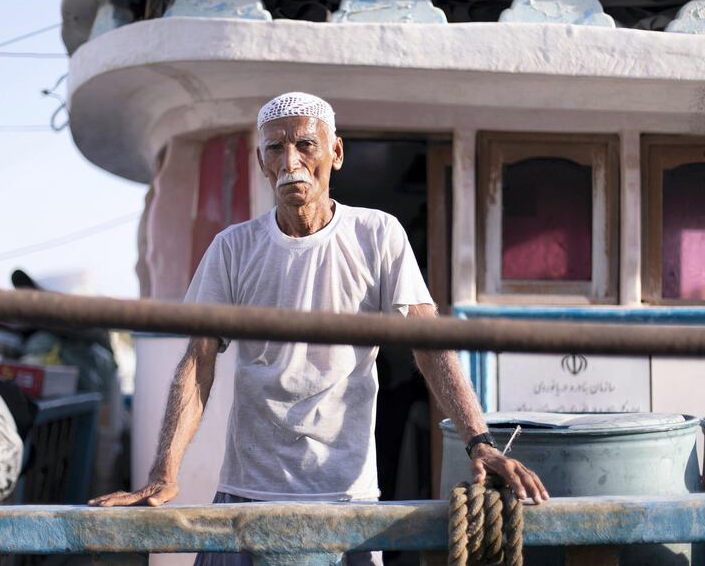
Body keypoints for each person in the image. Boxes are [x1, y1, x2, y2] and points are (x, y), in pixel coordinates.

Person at [89, 92, 548, 565]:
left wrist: (481, 442)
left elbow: (429, 343)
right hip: (246, 495)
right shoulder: (232, 248)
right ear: (261, 162)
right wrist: (165, 471)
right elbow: (198, 362)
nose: (291, 161)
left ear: (337, 153)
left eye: (306, 144)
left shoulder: (378, 234)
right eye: (275, 148)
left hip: (345, 501)